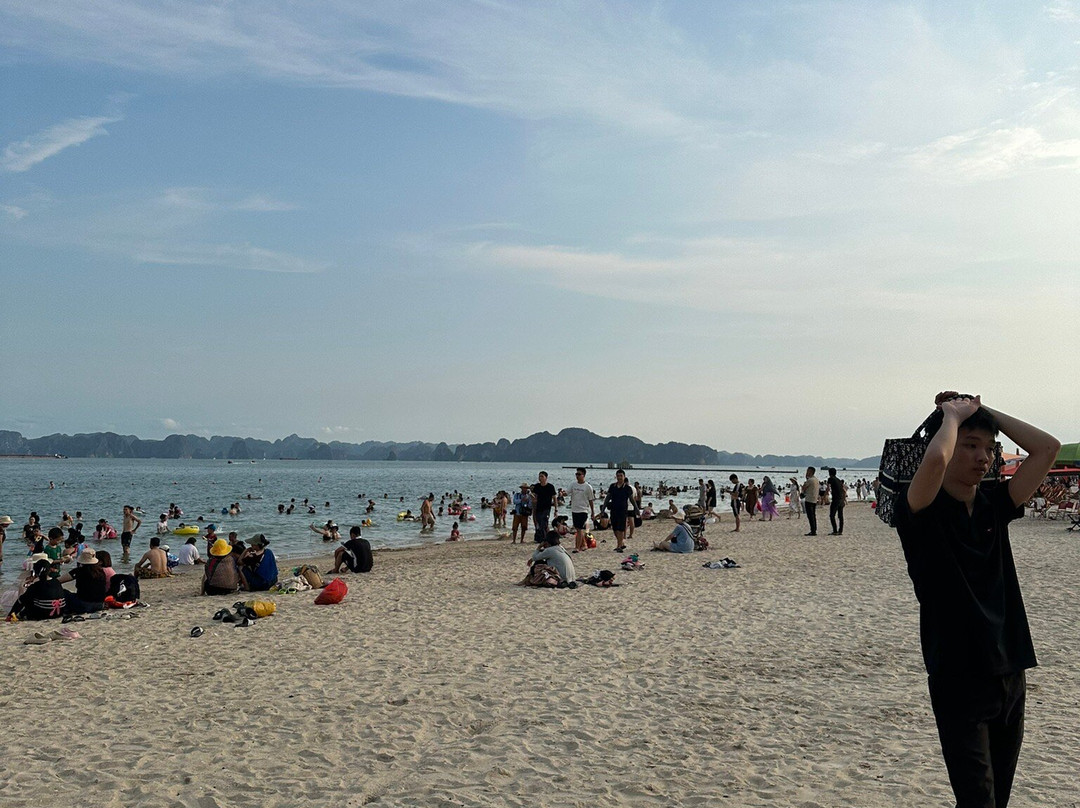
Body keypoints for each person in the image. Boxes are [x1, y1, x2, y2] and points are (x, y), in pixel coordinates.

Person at [893, 392, 1059, 808]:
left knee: (997, 798)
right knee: (977, 800)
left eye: (989, 448)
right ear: (946, 445)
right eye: (970, 445)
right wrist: (951, 415)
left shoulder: (994, 505)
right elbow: (933, 464)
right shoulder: (918, 510)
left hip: (1010, 670)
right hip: (958, 675)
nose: (983, 457)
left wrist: (984, 412)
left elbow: (1047, 448)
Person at [604, 469, 635, 553]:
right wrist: (603, 508)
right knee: (614, 528)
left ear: (624, 477)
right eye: (618, 476)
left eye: (621, 476)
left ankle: (619, 546)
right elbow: (608, 498)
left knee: (621, 528)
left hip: (623, 510)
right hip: (613, 510)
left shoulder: (627, 488)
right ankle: (621, 543)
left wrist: (636, 508)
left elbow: (632, 499)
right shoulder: (612, 486)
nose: (619, 477)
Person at [568, 467, 596, 553]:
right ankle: (584, 544)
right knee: (578, 528)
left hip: (583, 510)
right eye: (576, 474)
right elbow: (567, 492)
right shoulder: (573, 484)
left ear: (583, 475)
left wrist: (592, 512)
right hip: (574, 509)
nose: (577, 476)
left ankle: (577, 547)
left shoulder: (588, 487)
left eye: (579, 474)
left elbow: (591, 500)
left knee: (579, 529)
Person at [530, 471, 557, 542]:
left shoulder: (550, 487)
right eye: (539, 476)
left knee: (543, 522)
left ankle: (544, 539)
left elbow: (554, 498)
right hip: (538, 508)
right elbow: (534, 497)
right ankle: (542, 538)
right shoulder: (537, 486)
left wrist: (556, 510)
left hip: (547, 508)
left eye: (542, 476)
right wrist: (533, 502)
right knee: (539, 523)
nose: (540, 478)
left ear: (546, 477)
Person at [827, 468, 846, 535]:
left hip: (836, 499)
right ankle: (840, 530)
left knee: (832, 515)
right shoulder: (839, 480)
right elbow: (843, 490)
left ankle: (835, 530)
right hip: (841, 499)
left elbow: (828, 488)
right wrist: (844, 499)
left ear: (829, 473)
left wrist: (824, 496)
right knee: (840, 516)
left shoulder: (830, 479)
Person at [802, 467, 820, 536]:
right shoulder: (816, 479)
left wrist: (806, 479)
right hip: (814, 499)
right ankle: (814, 529)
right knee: (813, 515)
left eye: (807, 471)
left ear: (810, 472)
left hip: (809, 499)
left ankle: (813, 531)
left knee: (810, 516)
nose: (806, 472)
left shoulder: (810, 480)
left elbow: (804, 488)